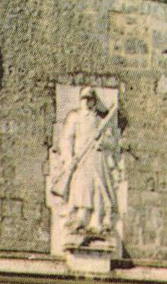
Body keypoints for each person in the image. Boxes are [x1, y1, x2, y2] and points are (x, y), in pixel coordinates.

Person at [48, 86, 121, 245]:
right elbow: (66, 140)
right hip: (80, 158)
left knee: (98, 187)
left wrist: (102, 141)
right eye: (85, 99)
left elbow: (111, 142)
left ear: (94, 102)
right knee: (81, 186)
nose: (87, 102)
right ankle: (81, 216)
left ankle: (97, 220)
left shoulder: (100, 121)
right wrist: (69, 160)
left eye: (90, 99)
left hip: (96, 156)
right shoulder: (75, 118)